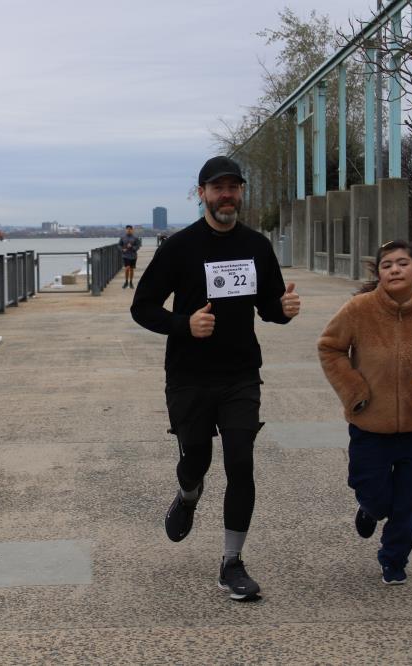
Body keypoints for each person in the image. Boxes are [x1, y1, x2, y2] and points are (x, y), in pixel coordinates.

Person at [130, 155, 301, 601]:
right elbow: (142, 307)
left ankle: (232, 562)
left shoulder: (256, 246)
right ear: (201, 193)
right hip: (189, 376)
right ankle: (188, 493)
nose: (226, 195)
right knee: (196, 461)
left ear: (241, 193)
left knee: (240, 462)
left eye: (233, 187)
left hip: (240, 374)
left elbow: (269, 307)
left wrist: (283, 310)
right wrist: (184, 324)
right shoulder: (180, 246)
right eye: (217, 187)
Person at [317, 239, 412, 585]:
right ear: (378, 273)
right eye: (387, 265)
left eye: (402, 263)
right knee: (374, 494)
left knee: (411, 504)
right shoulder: (359, 309)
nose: (395, 269)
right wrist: (354, 391)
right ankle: (370, 509)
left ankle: (394, 559)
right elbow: (330, 348)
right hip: (369, 425)